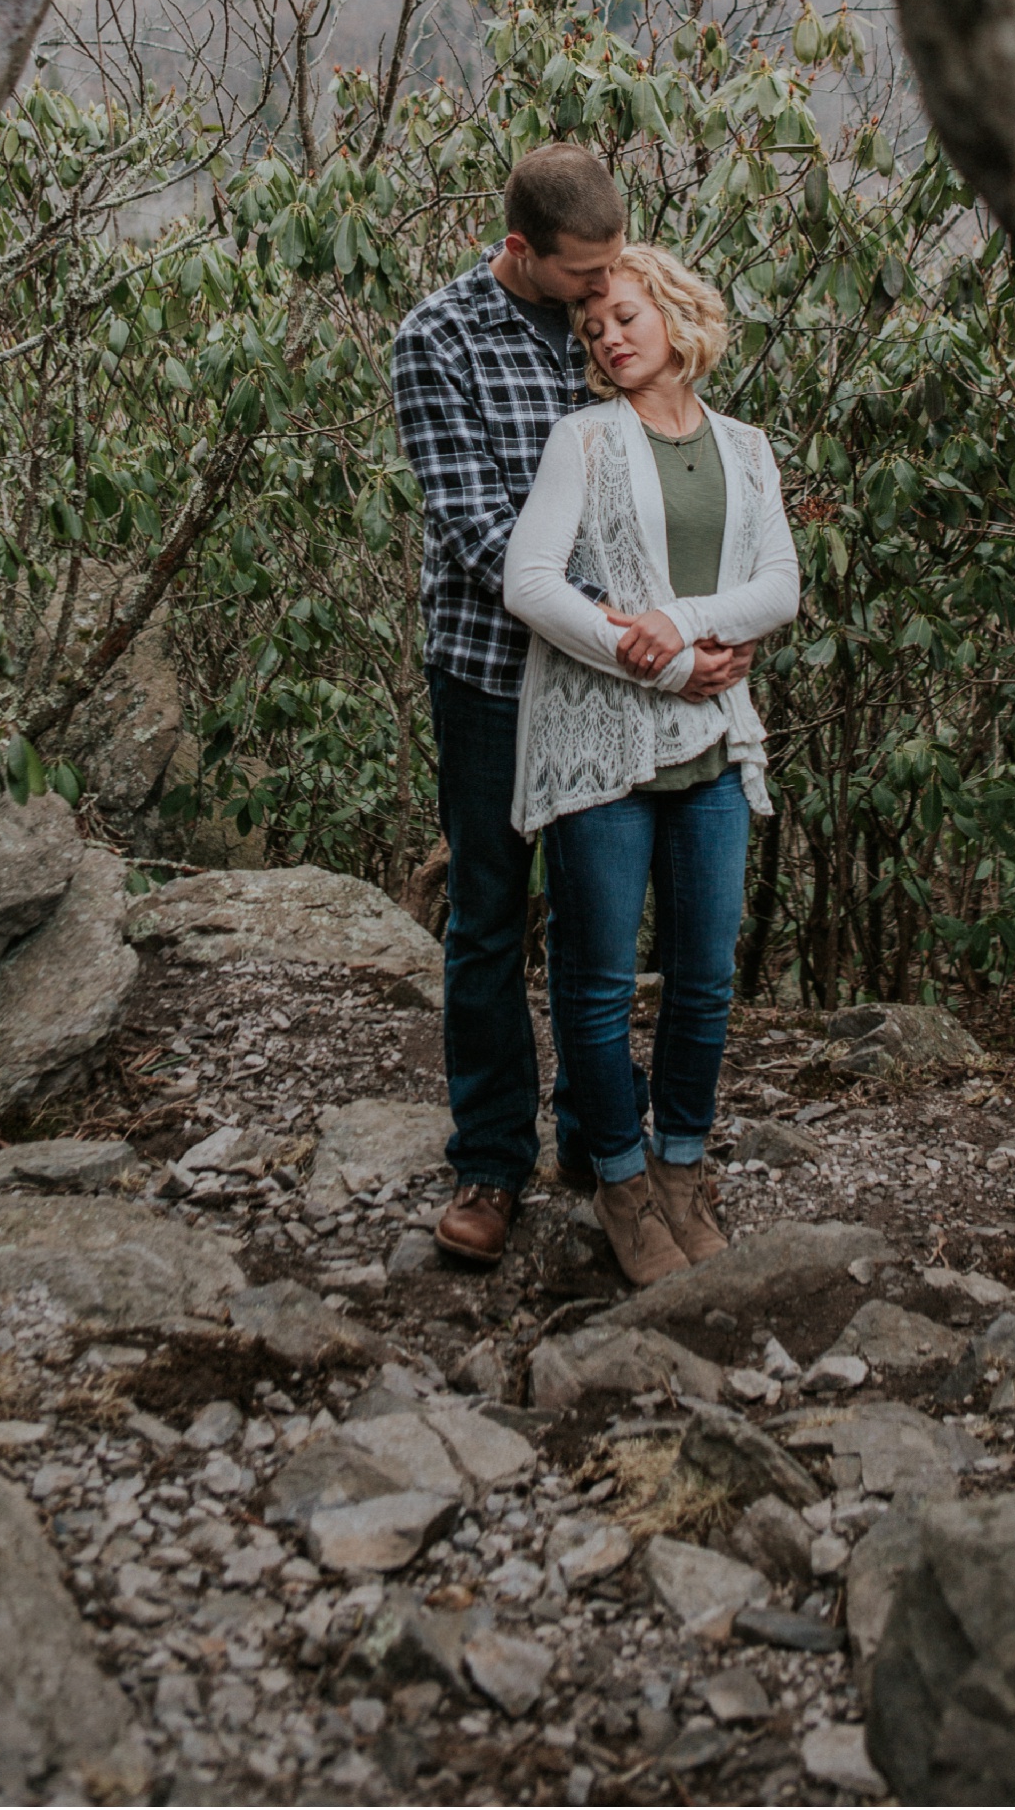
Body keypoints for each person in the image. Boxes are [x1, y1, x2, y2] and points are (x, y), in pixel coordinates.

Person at [392, 149, 759, 1269]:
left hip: (632, 693)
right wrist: (647, 638)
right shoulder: (437, 341)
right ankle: (490, 1161)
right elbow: (475, 533)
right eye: (584, 274)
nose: (603, 296)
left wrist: (698, 621)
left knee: (612, 925)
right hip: (496, 676)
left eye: (614, 274)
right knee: (492, 919)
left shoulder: (604, 319)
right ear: (521, 253)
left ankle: (600, 1141)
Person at [502, 245, 798, 1286]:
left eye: (625, 316)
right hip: (599, 749)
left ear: (676, 316)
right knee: (592, 986)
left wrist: (679, 624)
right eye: (592, 330)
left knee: (704, 980)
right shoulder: (581, 440)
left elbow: (775, 589)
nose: (608, 338)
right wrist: (667, 663)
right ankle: (619, 1184)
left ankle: (681, 1168)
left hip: (713, 747)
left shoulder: (747, 448)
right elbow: (529, 584)